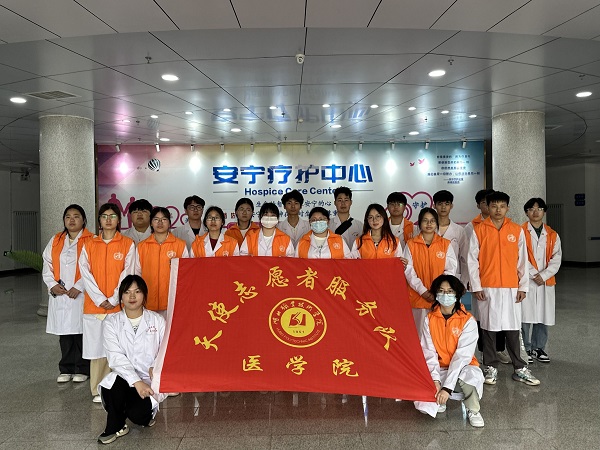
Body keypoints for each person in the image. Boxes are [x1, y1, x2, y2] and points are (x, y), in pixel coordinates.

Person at [468, 191, 540, 386]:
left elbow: (522, 261)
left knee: (513, 328)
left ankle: (520, 368)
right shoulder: (479, 230)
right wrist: (476, 286)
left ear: (508, 208)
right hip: (488, 286)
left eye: (502, 206)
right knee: (488, 328)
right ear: (488, 207)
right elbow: (472, 261)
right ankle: (490, 366)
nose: (498, 210)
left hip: (511, 287)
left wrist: (523, 286)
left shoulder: (516, 230)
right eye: (494, 206)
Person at [97, 275, 167, 445]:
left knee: (139, 416)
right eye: (127, 292)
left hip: (149, 380)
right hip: (124, 378)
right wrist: (136, 381)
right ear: (121, 296)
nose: (132, 296)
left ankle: (142, 414)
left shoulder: (157, 320)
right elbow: (115, 357)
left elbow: (165, 350)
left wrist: (155, 366)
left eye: (137, 291)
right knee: (113, 384)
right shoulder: (111, 323)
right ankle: (115, 425)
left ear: (144, 294)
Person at [79, 203, 136, 403]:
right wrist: (99, 299)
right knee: (97, 350)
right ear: (99, 220)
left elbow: (128, 273)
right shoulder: (89, 244)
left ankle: (119, 388)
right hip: (94, 307)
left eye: (112, 216)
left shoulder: (127, 244)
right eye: (104, 216)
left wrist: (113, 299)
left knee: (119, 348)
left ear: (119, 220)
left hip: (117, 306)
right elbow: (85, 274)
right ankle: (98, 389)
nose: (108, 220)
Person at [414, 274, 484, 428]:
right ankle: (440, 399)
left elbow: (461, 357)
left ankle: (473, 409)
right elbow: (428, 352)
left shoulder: (468, 321)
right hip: (439, 367)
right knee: (424, 405)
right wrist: (435, 380)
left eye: (450, 291)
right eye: (441, 291)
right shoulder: (429, 319)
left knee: (469, 378)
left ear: (457, 294)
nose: (445, 295)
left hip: (464, 366)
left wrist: (446, 388)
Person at [42, 204, 94, 384]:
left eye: (76, 216)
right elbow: (47, 264)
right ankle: (66, 368)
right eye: (68, 216)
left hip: (81, 294)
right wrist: (52, 285)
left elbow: (93, 267)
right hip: (61, 294)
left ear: (84, 220)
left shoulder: (91, 240)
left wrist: (79, 286)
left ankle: (82, 368)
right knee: (64, 334)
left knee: (80, 333)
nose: (72, 220)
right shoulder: (56, 240)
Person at [404, 208, 457, 337]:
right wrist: (423, 291)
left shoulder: (445, 244)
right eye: (425, 221)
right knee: (419, 335)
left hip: (440, 297)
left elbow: (450, 270)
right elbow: (409, 271)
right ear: (419, 223)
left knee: (438, 335)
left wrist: (437, 290)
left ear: (436, 223)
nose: (429, 224)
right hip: (418, 298)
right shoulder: (411, 244)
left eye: (432, 221)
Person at [521, 198, 562, 364]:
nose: (535, 212)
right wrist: (533, 274)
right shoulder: (520, 232)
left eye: (539, 209)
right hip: (526, 280)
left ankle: (539, 348)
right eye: (531, 209)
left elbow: (556, 258)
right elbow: (519, 256)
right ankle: (525, 349)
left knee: (543, 315)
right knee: (525, 317)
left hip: (545, 281)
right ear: (526, 213)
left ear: (544, 212)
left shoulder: (552, 234)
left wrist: (543, 275)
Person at [135, 207, 188, 317]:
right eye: (156, 219)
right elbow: (137, 274)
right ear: (151, 223)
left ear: (169, 223)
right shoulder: (141, 246)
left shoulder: (180, 245)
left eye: (164, 219)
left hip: (172, 301)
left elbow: (186, 274)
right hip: (147, 301)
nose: (160, 223)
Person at [433, 190, 468, 282]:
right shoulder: (428, 229)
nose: (443, 207)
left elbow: (464, 258)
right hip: (432, 275)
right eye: (440, 204)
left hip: (454, 277)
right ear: (434, 206)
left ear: (451, 206)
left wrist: (463, 282)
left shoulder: (459, 231)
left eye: (447, 204)